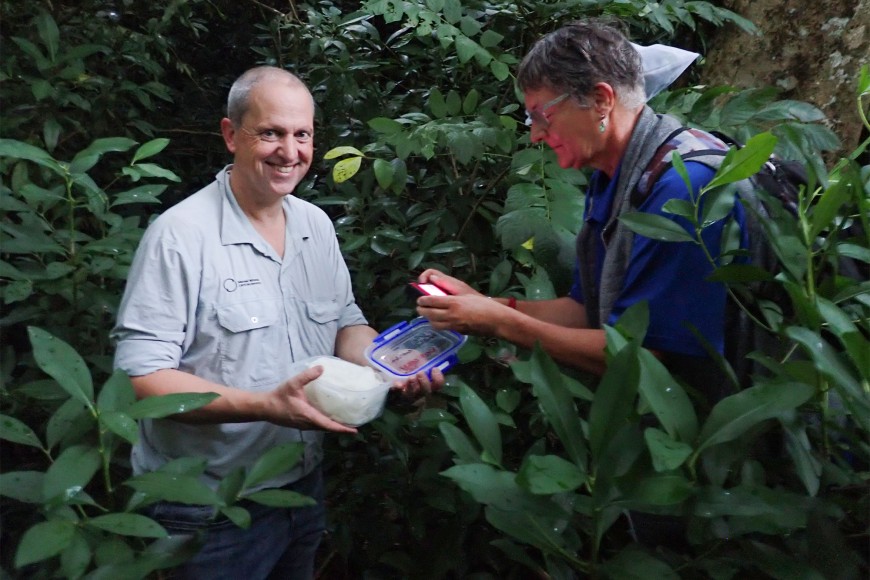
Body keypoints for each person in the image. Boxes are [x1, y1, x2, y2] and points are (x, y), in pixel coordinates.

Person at [111, 66, 442, 580]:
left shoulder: (315, 225)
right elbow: (144, 381)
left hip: (300, 488)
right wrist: (265, 406)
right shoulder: (179, 236)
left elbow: (344, 325)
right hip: (208, 506)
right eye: (270, 133)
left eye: (302, 134)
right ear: (230, 135)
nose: (290, 151)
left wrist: (391, 366)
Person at [415, 20, 746, 399]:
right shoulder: (615, 176)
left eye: (542, 116)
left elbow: (642, 360)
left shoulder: (682, 189)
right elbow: (586, 311)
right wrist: (482, 305)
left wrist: (501, 323)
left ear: (602, 100)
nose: (535, 135)